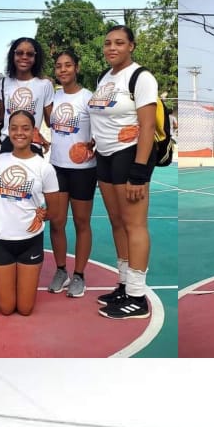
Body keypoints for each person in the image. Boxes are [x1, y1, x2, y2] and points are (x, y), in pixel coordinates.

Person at [89, 24, 160, 321]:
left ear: (131, 46)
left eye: (119, 43)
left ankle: (137, 297)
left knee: (135, 225)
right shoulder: (104, 77)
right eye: (108, 43)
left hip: (128, 154)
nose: (112, 48)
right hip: (104, 156)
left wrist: (139, 172)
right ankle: (124, 284)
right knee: (117, 223)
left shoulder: (141, 77)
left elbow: (147, 126)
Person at [0, 110, 59, 317]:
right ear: (8, 131)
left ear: (33, 132)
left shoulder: (44, 168)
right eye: (14, 128)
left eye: (25, 128)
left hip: (30, 241)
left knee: (25, 309)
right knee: (6, 308)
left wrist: (39, 216)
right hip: (1, 239)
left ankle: (8, 280)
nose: (19, 133)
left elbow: (53, 210)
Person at [45, 49, 96, 299]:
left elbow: (100, 131)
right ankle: (61, 270)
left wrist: (91, 146)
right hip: (57, 166)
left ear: (77, 67)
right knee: (57, 222)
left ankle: (79, 275)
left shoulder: (88, 98)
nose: (63, 70)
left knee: (81, 222)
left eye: (67, 65)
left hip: (83, 170)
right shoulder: (53, 98)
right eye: (58, 66)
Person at [0, 37, 53, 154]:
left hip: (32, 144)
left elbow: (50, 121)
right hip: (8, 144)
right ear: (13, 55)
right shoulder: (3, 83)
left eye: (30, 54)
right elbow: (0, 118)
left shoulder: (45, 85)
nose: (24, 57)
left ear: (36, 58)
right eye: (19, 53)